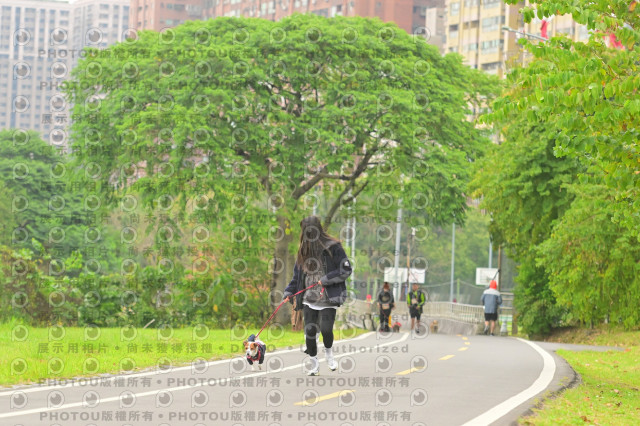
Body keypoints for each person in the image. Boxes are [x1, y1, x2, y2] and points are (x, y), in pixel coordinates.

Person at [282, 216, 352, 376]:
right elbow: (296, 277)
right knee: (310, 333)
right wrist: (289, 292)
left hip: (328, 299)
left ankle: (329, 353)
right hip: (308, 299)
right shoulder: (303, 251)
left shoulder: (334, 247)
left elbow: (346, 270)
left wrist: (326, 279)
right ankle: (314, 365)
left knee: (326, 330)